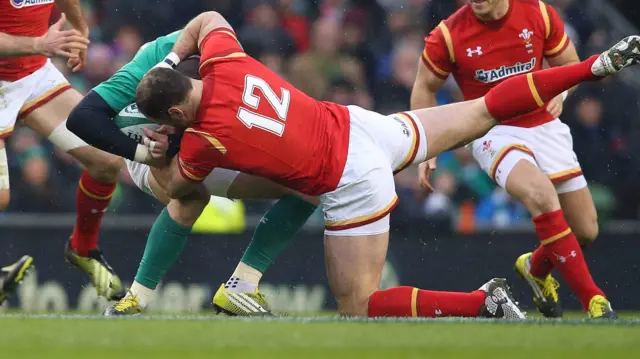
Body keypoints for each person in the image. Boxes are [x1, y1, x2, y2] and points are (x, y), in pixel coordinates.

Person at [139, 12, 637, 319]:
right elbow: (206, 18)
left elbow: (175, 190)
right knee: (486, 107)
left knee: (357, 306)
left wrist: (154, 152)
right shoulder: (226, 61)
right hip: (365, 126)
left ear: (178, 115)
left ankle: (481, 302)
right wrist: (168, 60)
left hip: (352, 180)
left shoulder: (204, 139)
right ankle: (590, 68)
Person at [66, 32, 320, 316]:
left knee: (307, 185)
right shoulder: (142, 69)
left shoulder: (220, 60)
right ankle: (136, 299)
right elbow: (81, 117)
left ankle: (242, 286)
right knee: (190, 197)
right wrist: (145, 154)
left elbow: (208, 20)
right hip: (149, 144)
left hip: (202, 138)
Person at [411, 0, 610, 318]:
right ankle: (595, 300)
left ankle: (534, 267)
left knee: (585, 229)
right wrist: (426, 148)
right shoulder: (448, 34)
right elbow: (424, 86)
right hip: (491, 130)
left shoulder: (538, 13)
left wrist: (561, 93)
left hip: (544, 124)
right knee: (539, 194)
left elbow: (569, 64)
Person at [0, 0, 127, 300]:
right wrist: (39, 42)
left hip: (32, 76)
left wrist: (80, 29)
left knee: (107, 160)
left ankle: (83, 248)